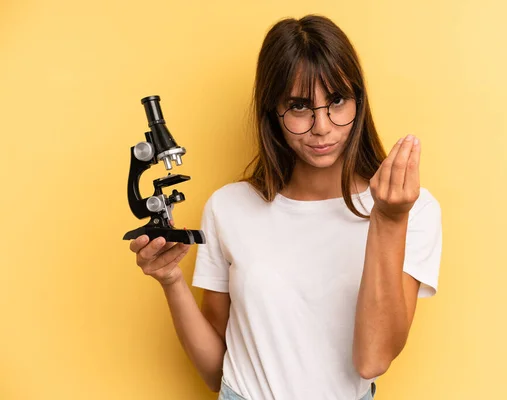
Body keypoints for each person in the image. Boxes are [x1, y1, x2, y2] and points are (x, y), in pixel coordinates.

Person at [129, 14, 442, 400]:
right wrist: (171, 280)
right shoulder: (228, 208)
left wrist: (388, 219)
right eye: (298, 106)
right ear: (271, 112)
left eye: (337, 101)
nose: (322, 126)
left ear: (359, 102)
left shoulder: (414, 210)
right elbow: (215, 372)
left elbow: (372, 361)